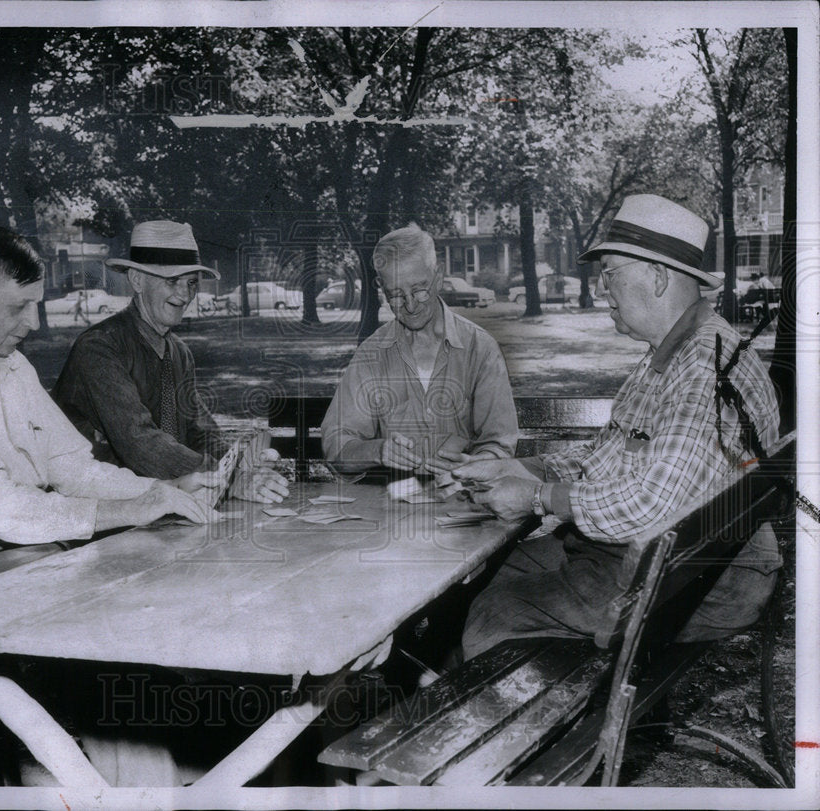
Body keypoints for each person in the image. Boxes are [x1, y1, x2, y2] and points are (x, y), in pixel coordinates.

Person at [450, 195, 782, 660]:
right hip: (669, 561)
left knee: (497, 607)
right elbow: (605, 457)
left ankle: (476, 722)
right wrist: (523, 467)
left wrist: (534, 497)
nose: (602, 288)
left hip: (704, 581)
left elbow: (650, 504)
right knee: (497, 566)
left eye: (610, 274)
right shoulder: (671, 356)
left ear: (659, 277)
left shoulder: (703, 368)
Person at [0, 222, 216, 602]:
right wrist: (132, 508)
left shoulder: (7, 361)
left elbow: (71, 467)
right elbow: (0, 510)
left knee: (154, 575)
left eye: (37, 304)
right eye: (20, 307)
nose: (35, 322)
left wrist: (162, 491)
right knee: (109, 600)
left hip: (18, 542)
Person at [53, 220, 288, 504]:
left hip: (160, 507)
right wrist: (228, 479)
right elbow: (140, 442)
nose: (185, 294)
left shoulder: (178, 352)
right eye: (172, 281)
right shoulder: (100, 347)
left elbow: (199, 431)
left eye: (191, 283)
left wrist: (241, 465)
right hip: (100, 514)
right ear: (137, 280)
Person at [321, 223, 517, 475]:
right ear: (381, 287)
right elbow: (336, 445)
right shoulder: (371, 354)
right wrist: (377, 451)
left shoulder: (480, 348)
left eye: (419, 290)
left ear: (439, 277)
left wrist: (473, 469)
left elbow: (499, 443)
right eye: (397, 295)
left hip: (465, 501)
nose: (411, 305)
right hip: (389, 503)